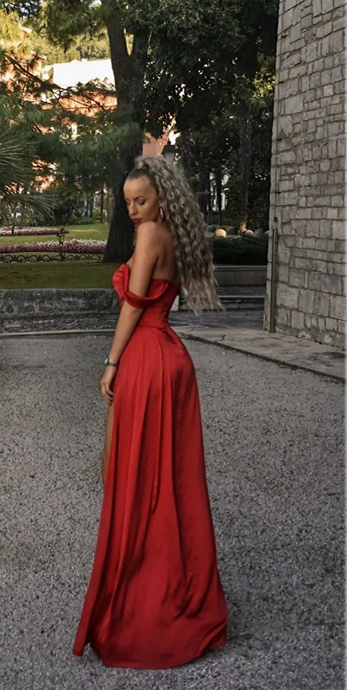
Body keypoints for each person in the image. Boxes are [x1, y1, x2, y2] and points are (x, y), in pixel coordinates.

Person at [72, 154, 229, 669]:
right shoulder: (175, 233)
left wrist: (111, 362)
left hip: (146, 361)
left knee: (135, 479)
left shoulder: (148, 235)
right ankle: (176, 588)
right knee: (170, 483)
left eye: (141, 200)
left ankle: (144, 604)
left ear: (161, 197)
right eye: (128, 203)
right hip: (171, 360)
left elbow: (134, 304)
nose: (134, 210)